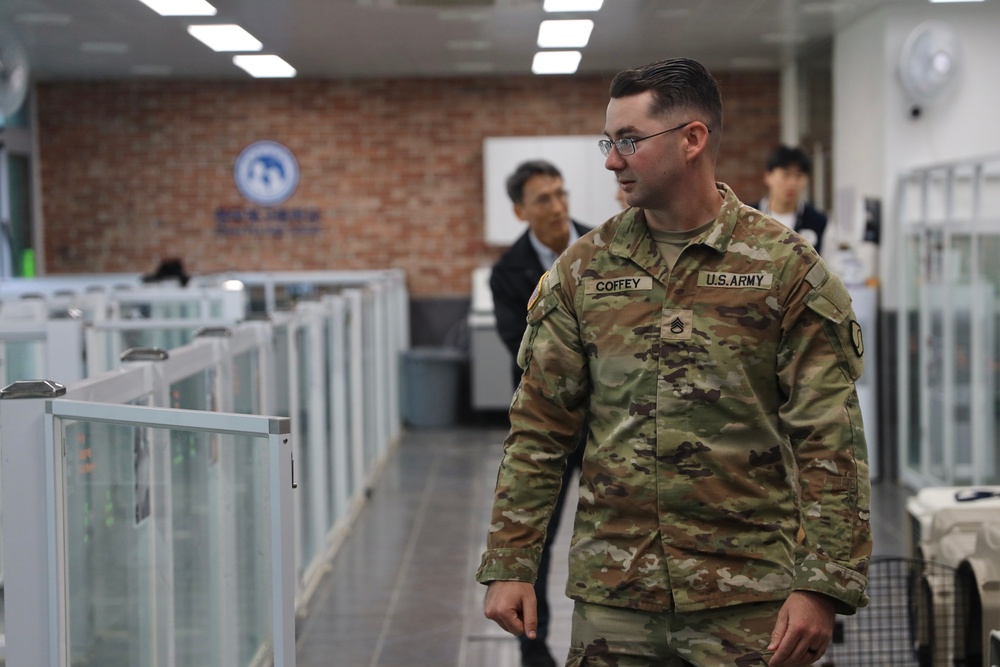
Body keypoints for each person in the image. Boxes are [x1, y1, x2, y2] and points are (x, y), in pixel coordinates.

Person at [477, 57, 872, 667]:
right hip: (616, 596)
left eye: (630, 141)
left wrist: (822, 583)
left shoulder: (783, 267)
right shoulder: (585, 270)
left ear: (692, 139)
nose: (611, 160)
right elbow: (540, 428)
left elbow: (829, 438)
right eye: (609, 141)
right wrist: (511, 561)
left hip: (747, 597)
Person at [489, 159, 590, 667]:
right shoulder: (508, 272)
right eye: (543, 199)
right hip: (548, 426)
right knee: (537, 537)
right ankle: (534, 645)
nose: (557, 206)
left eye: (560, 194)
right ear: (519, 210)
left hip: (608, 422)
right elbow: (521, 348)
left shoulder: (604, 246)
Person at [751, 145, 829, 254]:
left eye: (798, 176)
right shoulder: (749, 217)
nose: (792, 183)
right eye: (786, 175)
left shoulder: (818, 221)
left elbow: (830, 265)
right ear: (768, 176)